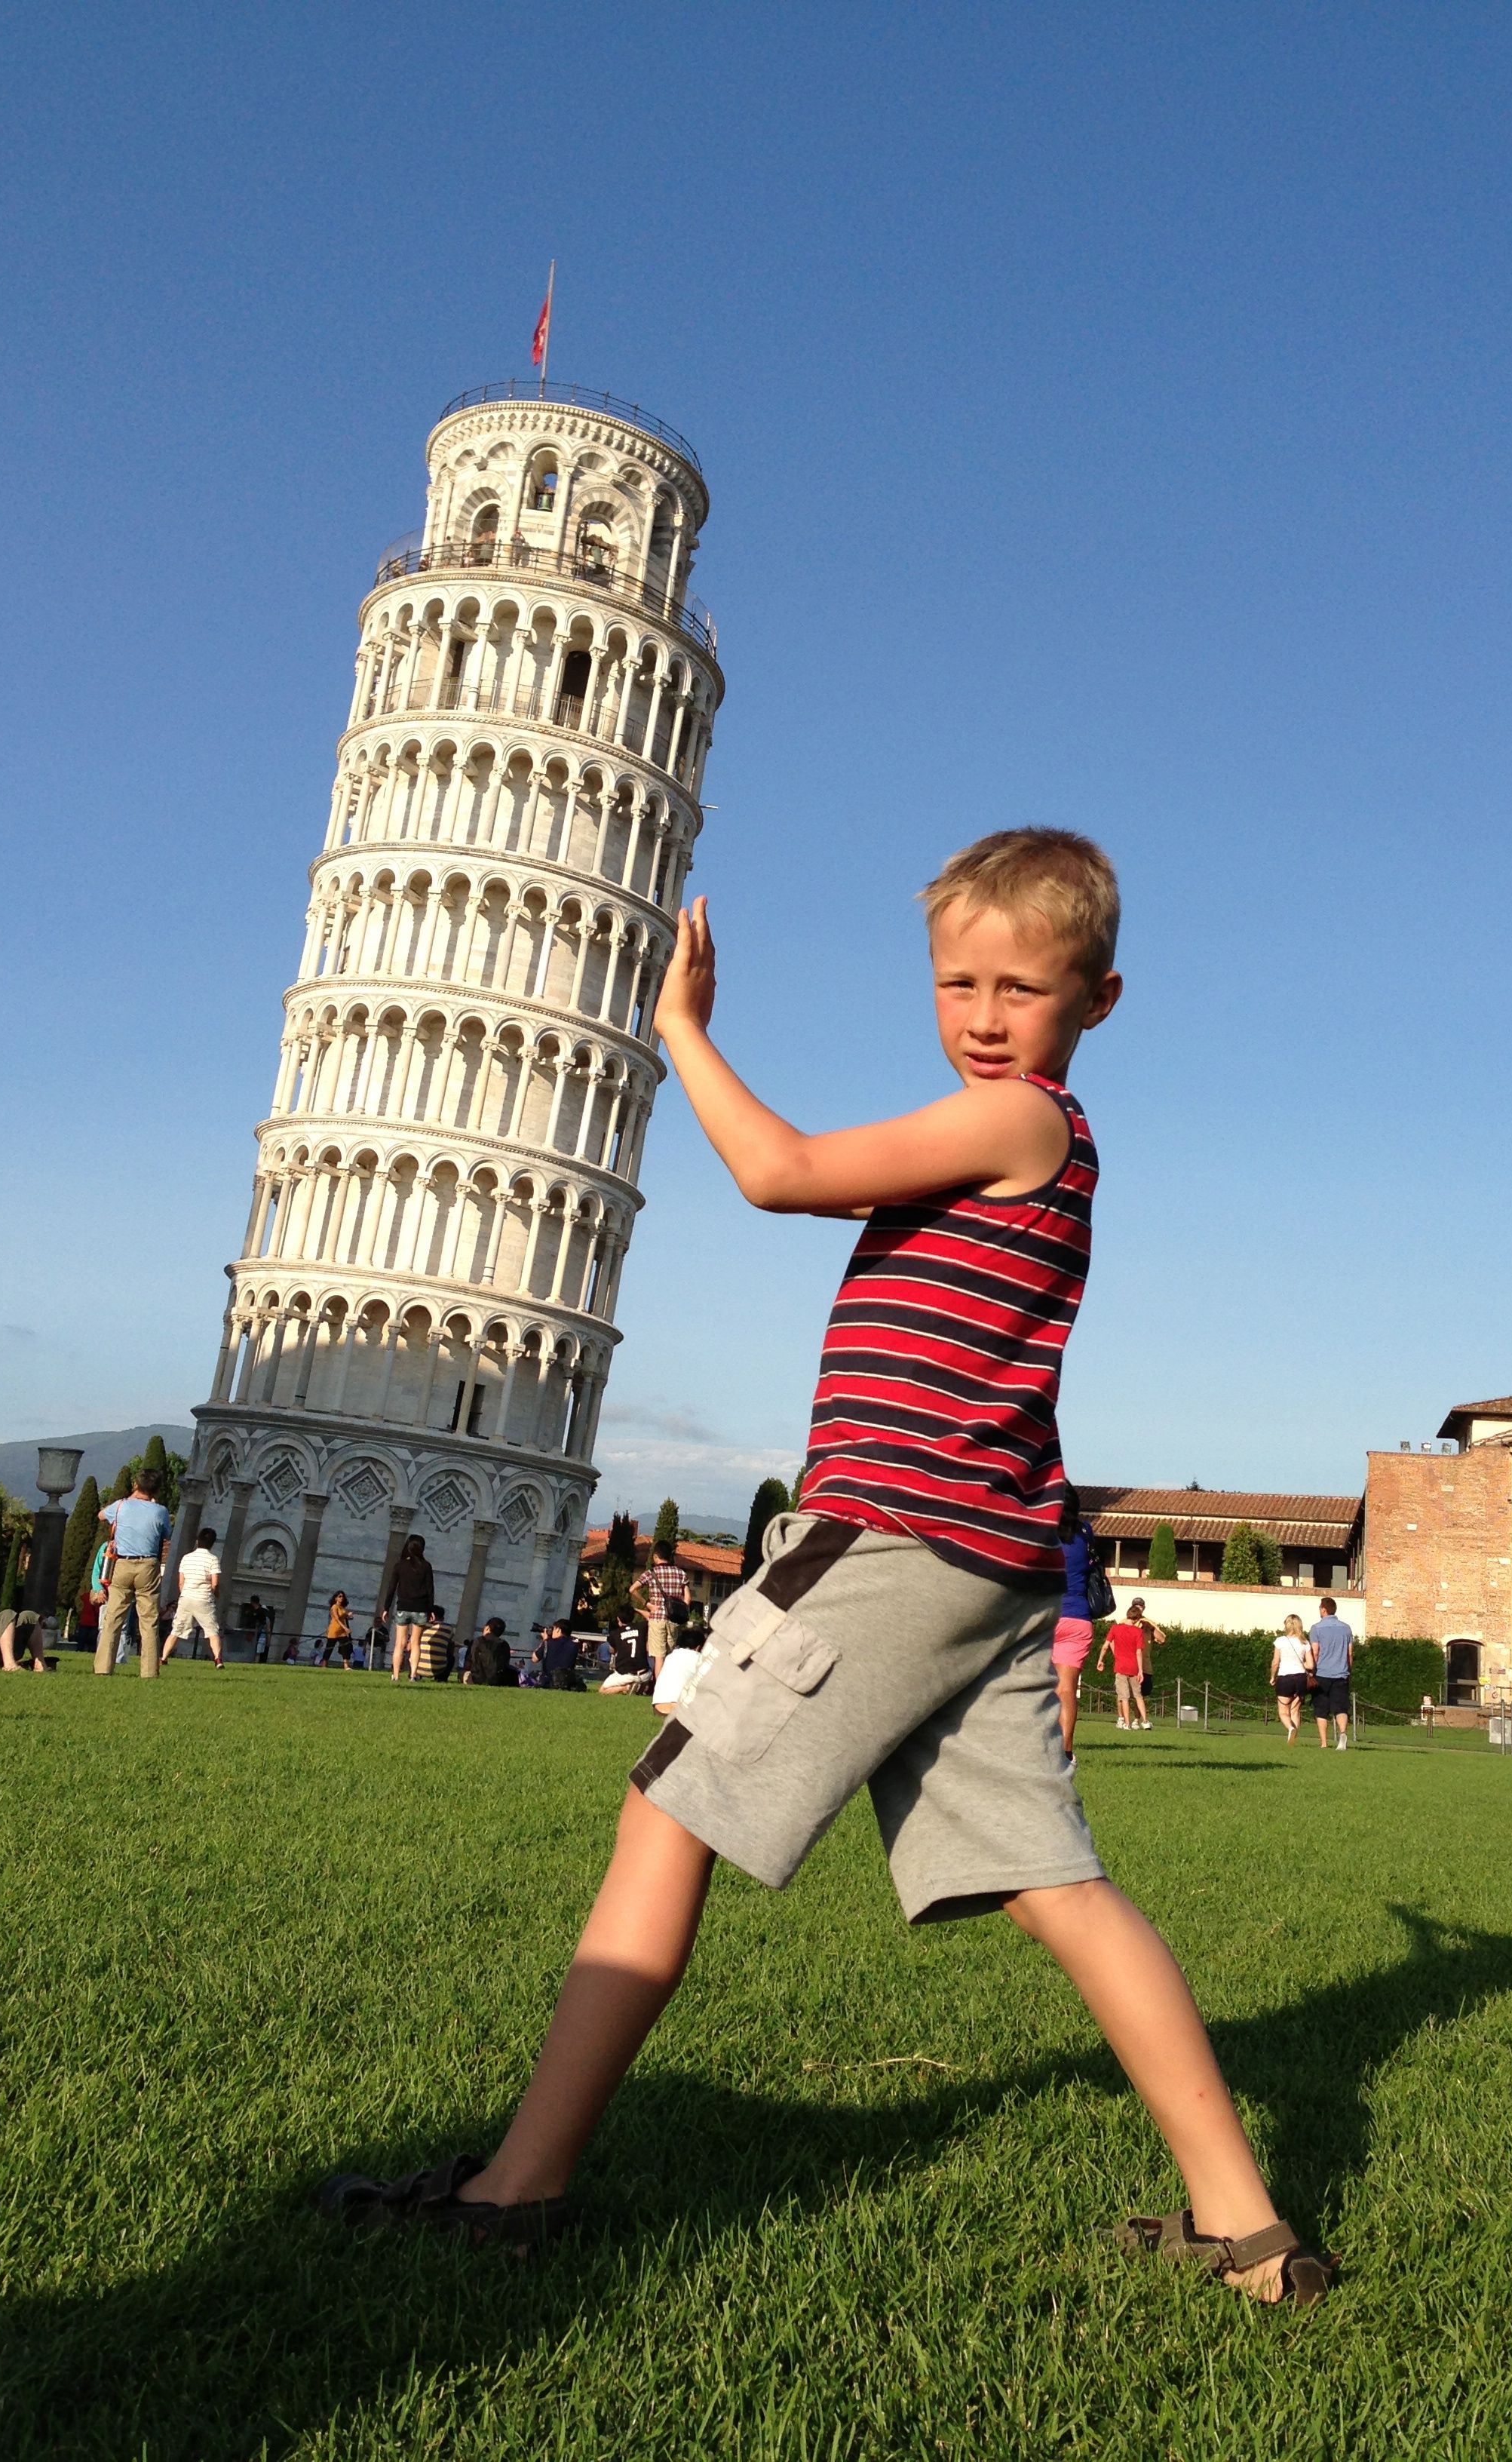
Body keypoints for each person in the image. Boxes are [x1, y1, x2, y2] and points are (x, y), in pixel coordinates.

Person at [320, 830, 1330, 2302]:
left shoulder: (1016, 1121)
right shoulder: (1022, 1144)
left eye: (1022, 988)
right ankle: (1246, 2226)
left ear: (1097, 1000)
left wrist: (678, 1028)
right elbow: (845, 1190)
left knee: (663, 1812)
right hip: (991, 1560)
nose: (983, 1014)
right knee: (1057, 1884)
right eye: (957, 982)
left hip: (892, 1535)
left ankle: (515, 2188)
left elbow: (779, 1171)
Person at [95, 1469, 171, 1680]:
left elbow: (101, 1515)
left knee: (113, 1618)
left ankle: (103, 1668)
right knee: (149, 1620)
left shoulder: (121, 1506)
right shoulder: (161, 1511)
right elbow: (167, 1534)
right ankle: (149, 1672)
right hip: (148, 1565)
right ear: (157, 1489)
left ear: (136, 1485)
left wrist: (129, 1498)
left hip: (122, 1564)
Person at [1050, 1491, 1096, 1761]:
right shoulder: (1085, 1532)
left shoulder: (1041, 1533)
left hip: (1045, 1615)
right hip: (1078, 1617)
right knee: (1067, 1689)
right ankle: (1066, 1753)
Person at [162, 1526, 227, 1668]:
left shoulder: (186, 1558)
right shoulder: (213, 1559)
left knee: (176, 1630)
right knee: (212, 1631)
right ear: (212, 1543)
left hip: (186, 1598)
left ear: (198, 1541)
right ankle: (218, 1659)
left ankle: (164, 1657)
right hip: (204, 1599)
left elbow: (181, 1582)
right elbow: (215, 1583)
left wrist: (184, 1594)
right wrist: (216, 1594)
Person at [382, 1534, 435, 1681]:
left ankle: (396, 1675)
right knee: (416, 1643)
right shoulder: (426, 1566)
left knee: (400, 1643)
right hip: (420, 1608)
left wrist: (386, 1607)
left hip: (403, 1606)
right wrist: (431, 1609)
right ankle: (413, 1675)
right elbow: (430, 1590)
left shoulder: (400, 1565)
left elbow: (391, 1588)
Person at [633, 1540, 690, 1680]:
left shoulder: (650, 1573)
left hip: (657, 1618)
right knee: (669, 1656)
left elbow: (632, 1589)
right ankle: (668, 1686)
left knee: (659, 1658)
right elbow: (688, 1599)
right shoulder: (681, 1574)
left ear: (655, 1556)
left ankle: (659, 1688)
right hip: (673, 1620)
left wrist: (647, 1604)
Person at [1308, 1595, 1354, 1750]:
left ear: (1324, 1609)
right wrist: (1349, 1670)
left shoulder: (1316, 1628)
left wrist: (1311, 1671)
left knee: (1321, 1709)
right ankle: (1343, 1733)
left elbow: (1315, 1652)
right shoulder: (1346, 1628)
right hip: (1341, 1673)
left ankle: (1324, 1743)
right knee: (1340, 1708)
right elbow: (1350, 1653)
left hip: (1322, 1674)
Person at [1104, 1598, 1158, 1730]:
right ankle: (1144, 1721)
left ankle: (1126, 1723)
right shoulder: (1138, 1631)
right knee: (1138, 1696)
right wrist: (1140, 1670)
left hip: (1121, 1666)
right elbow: (1139, 1652)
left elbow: (1108, 1644)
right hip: (1135, 1667)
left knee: (1124, 1697)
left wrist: (1105, 1658)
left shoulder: (1117, 1627)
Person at [1269, 1614, 1312, 1745]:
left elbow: (1275, 1662)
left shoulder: (1280, 1641)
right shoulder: (1305, 1642)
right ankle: (1293, 1740)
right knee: (1295, 1710)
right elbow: (1311, 1665)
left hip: (1285, 1678)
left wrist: (1272, 1677)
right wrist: (1301, 1663)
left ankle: (1290, 1728)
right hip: (1301, 1679)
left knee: (1283, 1711)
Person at [412, 1606, 454, 1684]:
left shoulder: (422, 1627)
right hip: (439, 1669)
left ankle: (413, 1674)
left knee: (415, 1646)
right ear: (443, 1618)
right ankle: (442, 1678)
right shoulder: (448, 1628)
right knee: (450, 1654)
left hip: (418, 1668)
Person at [324, 1589, 354, 1668]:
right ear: (336, 1598)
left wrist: (350, 1615)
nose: (341, 1598)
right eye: (340, 1596)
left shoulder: (342, 1608)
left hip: (342, 1632)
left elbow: (345, 1617)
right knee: (329, 1648)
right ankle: (324, 1663)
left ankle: (346, 1665)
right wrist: (345, 1628)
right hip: (334, 1630)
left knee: (345, 1647)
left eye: (342, 1596)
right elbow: (337, 1619)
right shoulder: (334, 1607)